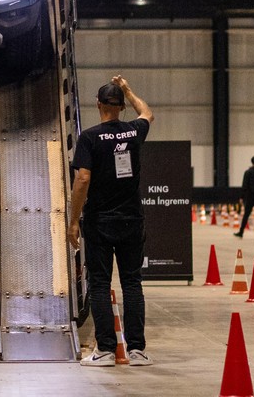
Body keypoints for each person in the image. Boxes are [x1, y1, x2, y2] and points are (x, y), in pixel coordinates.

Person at [68, 75, 154, 367]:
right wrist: (129, 89)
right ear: (120, 106)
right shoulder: (133, 131)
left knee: (101, 285)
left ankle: (105, 350)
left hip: (100, 222)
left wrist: (73, 221)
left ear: (99, 105)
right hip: (131, 219)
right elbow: (148, 113)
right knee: (132, 283)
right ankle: (138, 351)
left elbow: (83, 178)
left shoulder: (90, 137)